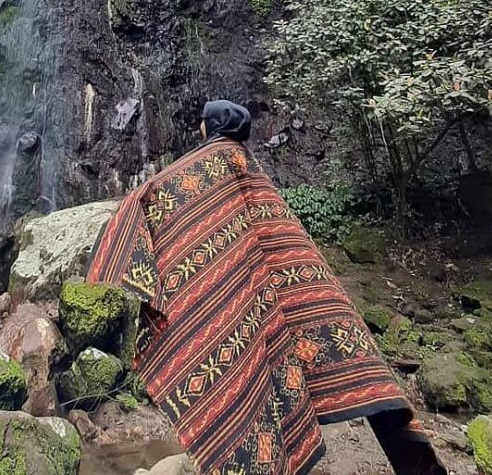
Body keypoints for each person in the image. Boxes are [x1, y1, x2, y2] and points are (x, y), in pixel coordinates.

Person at [87, 99, 446, 475]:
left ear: (209, 128)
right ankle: (419, 466)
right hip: (288, 294)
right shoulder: (251, 170)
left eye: (202, 125)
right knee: (363, 373)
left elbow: (154, 193)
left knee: (249, 376)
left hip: (243, 300)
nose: (200, 131)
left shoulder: (206, 166)